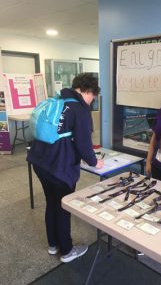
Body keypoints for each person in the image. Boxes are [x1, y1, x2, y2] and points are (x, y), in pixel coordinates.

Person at [27, 73, 104, 263]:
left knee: (51, 202)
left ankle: (53, 244)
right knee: (63, 206)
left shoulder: (58, 100)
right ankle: (68, 251)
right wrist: (95, 162)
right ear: (88, 91)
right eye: (93, 96)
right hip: (59, 167)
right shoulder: (80, 109)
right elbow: (84, 144)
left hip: (39, 161)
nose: (92, 101)